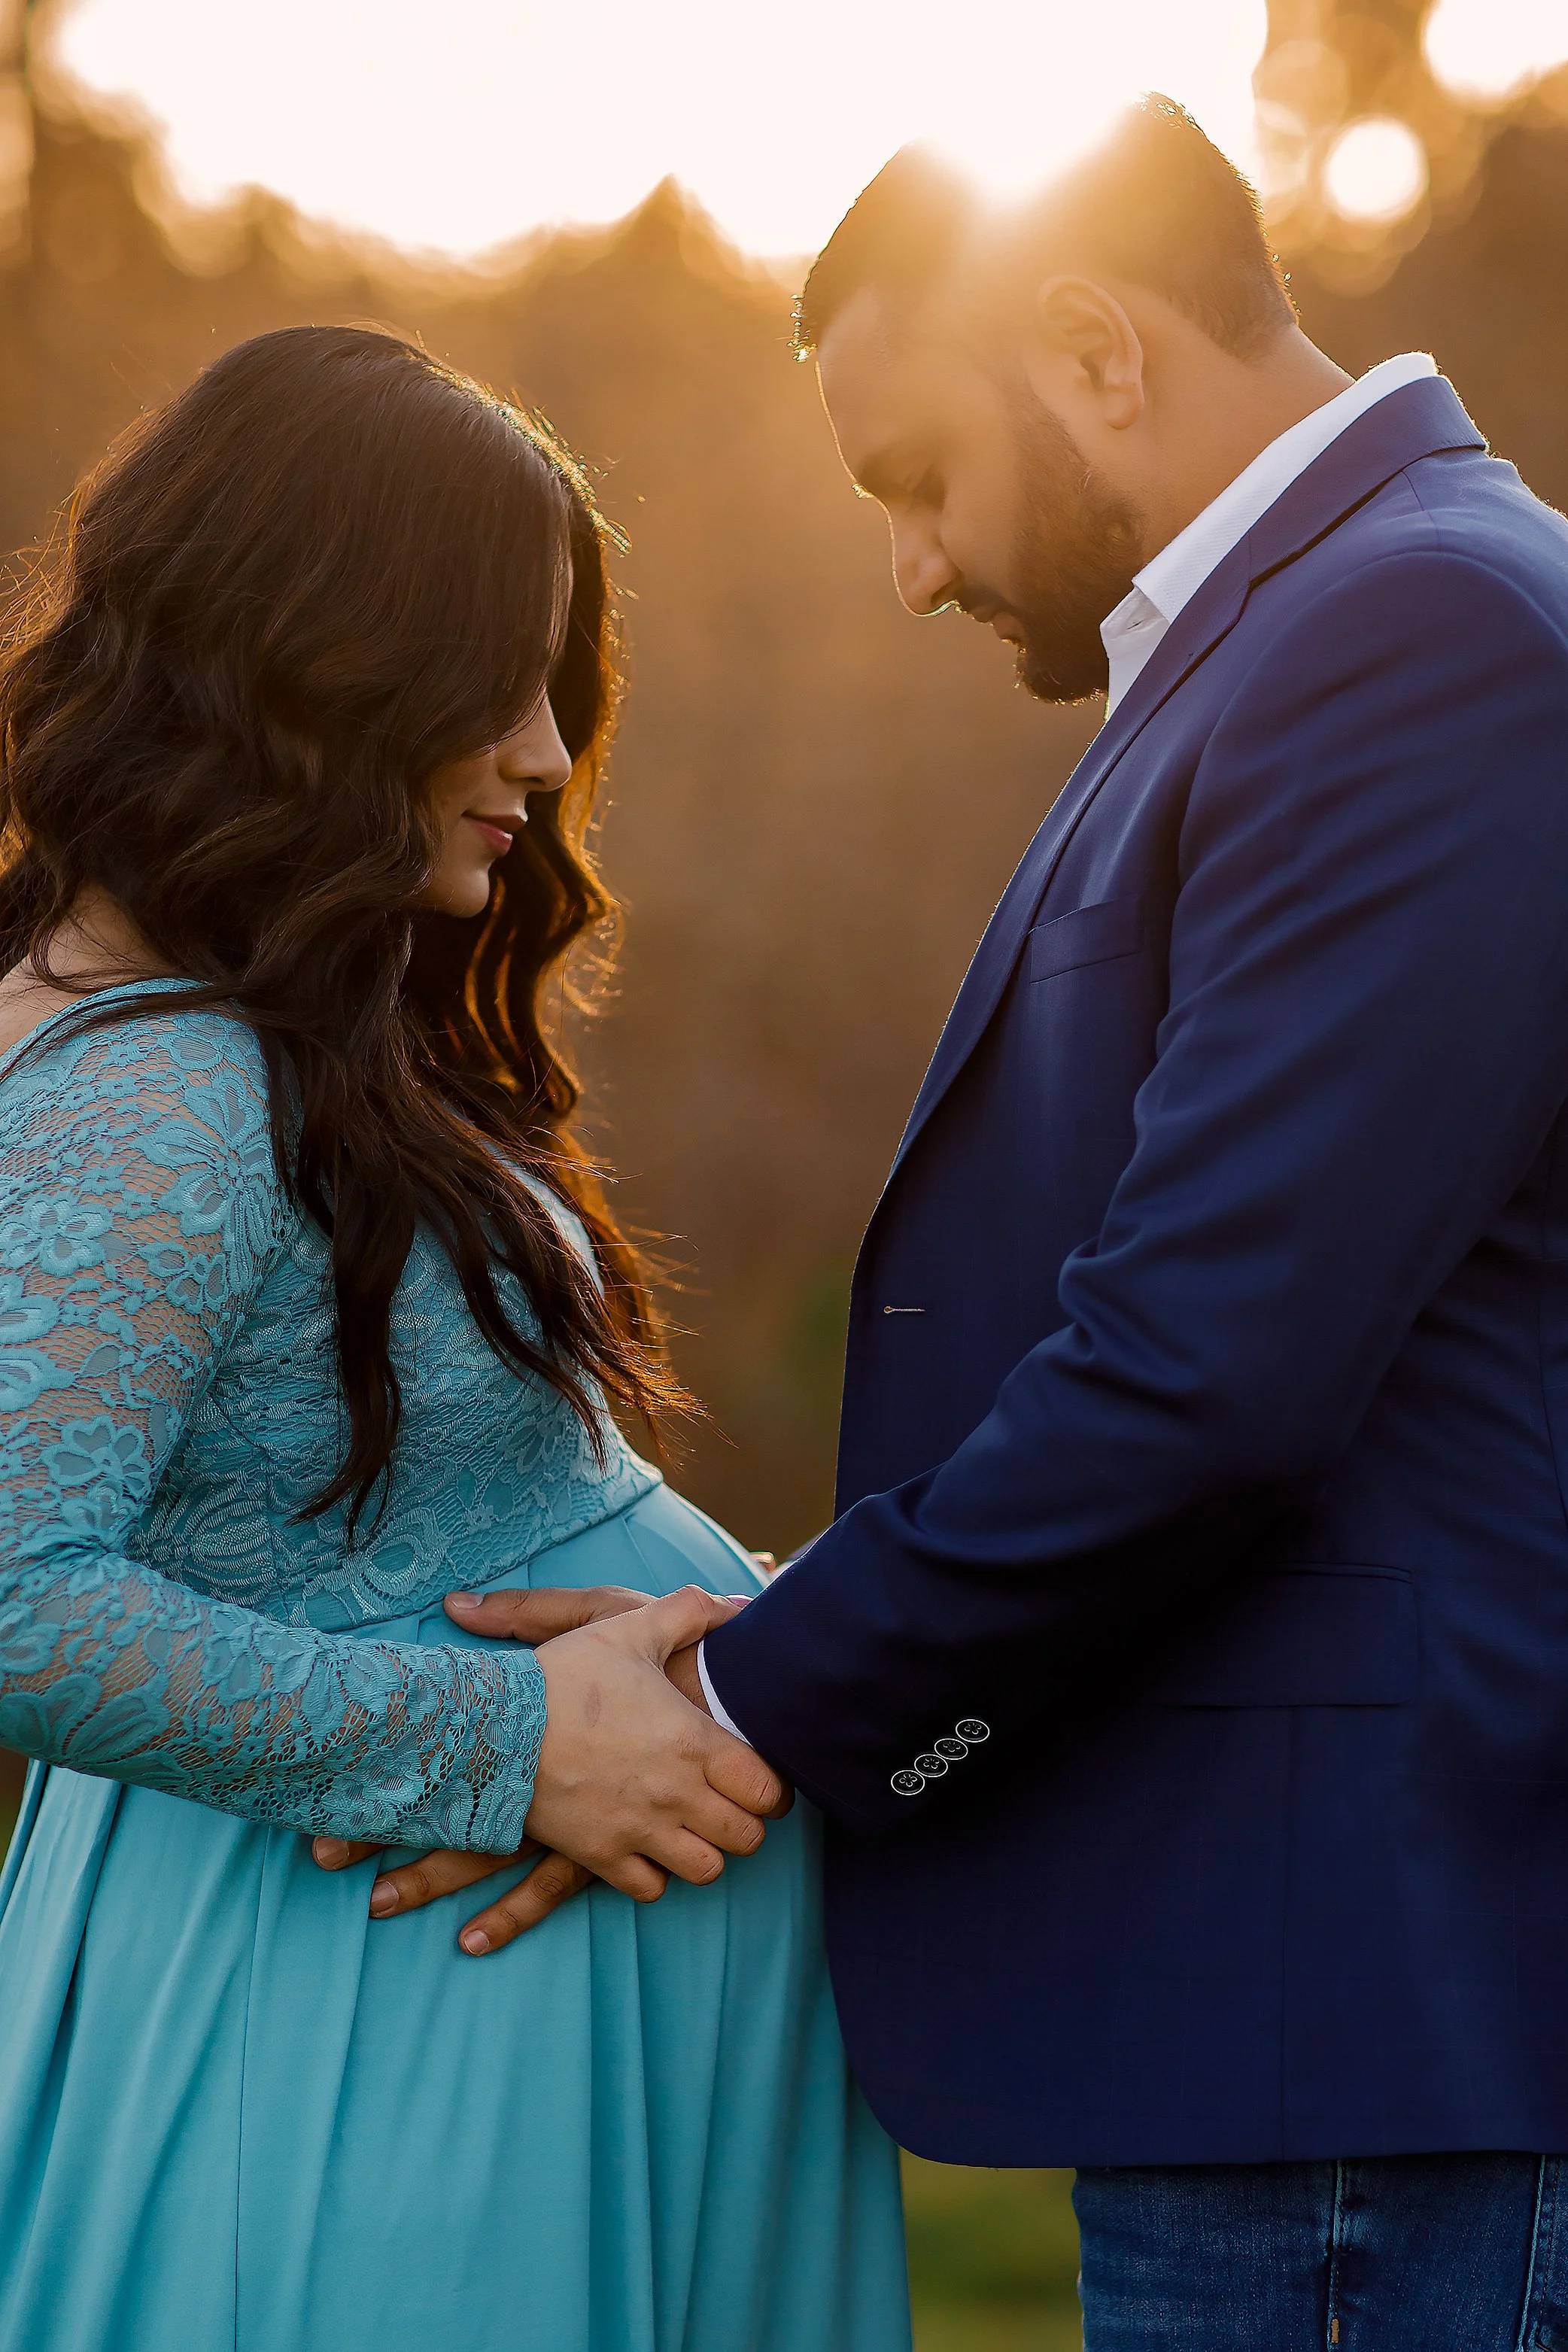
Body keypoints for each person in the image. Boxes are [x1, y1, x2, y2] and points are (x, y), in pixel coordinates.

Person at [390, 97, 1568, 2349]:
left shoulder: (1414, 636)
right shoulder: (1328, 632)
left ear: (1093, 349)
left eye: (914, 475)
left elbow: (1211, 1376)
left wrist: (736, 1695)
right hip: (1292, 2011)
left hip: (1344, 2018)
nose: (913, 570)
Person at [0, 325, 908, 2352]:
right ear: (311, 660)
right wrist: (511, 1744)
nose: (545, 756)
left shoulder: (283, 1026)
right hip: (367, 2031)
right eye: (493, 688)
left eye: (556, 685)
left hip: (483, 2012)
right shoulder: (147, 1082)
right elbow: (12, 1596)